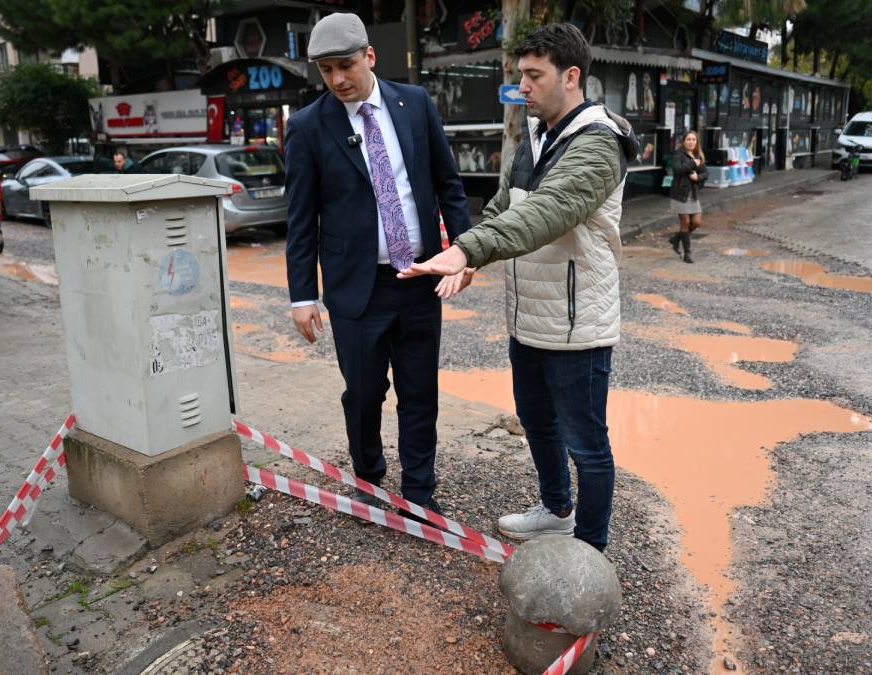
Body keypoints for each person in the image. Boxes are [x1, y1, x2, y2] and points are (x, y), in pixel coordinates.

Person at [399, 23, 638, 552]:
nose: (522, 87)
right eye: (520, 75)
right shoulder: (532, 135)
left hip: (578, 324)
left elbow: (551, 212)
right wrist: (470, 258)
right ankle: (556, 510)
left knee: (588, 445)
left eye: (534, 75)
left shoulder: (599, 144)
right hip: (528, 316)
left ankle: (590, 554)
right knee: (536, 421)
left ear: (571, 76)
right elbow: (505, 208)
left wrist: (466, 250)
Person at [283, 13, 471, 520]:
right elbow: (300, 219)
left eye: (345, 65)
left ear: (370, 56)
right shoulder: (306, 127)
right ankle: (369, 479)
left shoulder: (416, 105)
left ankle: (419, 494)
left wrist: (467, 252)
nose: (339, 79)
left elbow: (449, 185)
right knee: (364, 394)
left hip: (420, 281)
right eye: (326, 71)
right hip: (354, 290)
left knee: (420, 392)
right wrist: (302, 296)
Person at [666, 131, 707, 263]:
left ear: (696, 142)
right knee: (686, 223)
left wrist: (698, 177)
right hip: (679, 194)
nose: (691, 142)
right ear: (684, 141)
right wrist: (692, 164)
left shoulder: (698, 155)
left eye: (693, 140)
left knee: (696, 222)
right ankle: (687, 253)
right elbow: (677, 170)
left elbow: (705, 173)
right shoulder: (678, 154)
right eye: (688, 139)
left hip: (693, 194)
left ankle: (676, 239)